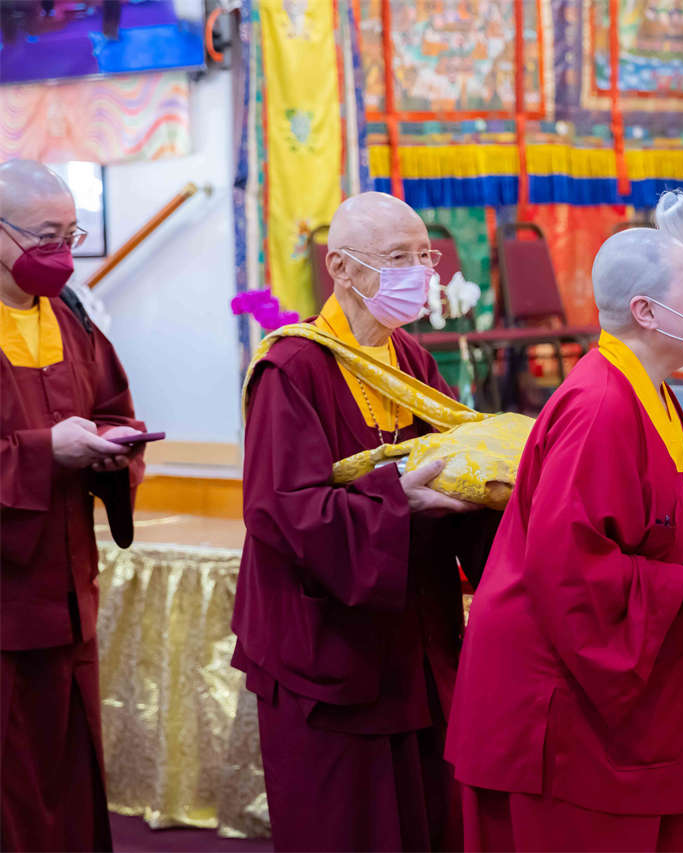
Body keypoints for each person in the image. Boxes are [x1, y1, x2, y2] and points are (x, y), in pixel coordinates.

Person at [446, 228, 683, 851]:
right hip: (559, 703)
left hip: (618, 698)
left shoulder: (651, 391)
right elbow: (567, 568)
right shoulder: (599, 405)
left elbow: (664, 523)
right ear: (646, 311)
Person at [232, 191, 498, 851]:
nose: (421, 273)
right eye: (399, 258)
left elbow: (454, 459)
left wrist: (489, 486)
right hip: (327, 646)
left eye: (425, 257)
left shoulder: (411, 360)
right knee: (348, 827)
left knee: (428, 820)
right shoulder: (291, 367)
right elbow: (281, 510)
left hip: (413, 637)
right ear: (341, 268)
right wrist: (397, 502)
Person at [0, 159, 147, 850]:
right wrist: (42, 452)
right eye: (45, 237)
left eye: (70, 235)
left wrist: (114, 453)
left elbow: (114, 407)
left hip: (66, 591)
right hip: (6, 594)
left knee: (71, 764)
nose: (61, 254)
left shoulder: (72, 316)